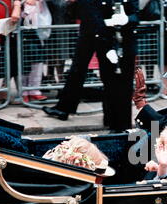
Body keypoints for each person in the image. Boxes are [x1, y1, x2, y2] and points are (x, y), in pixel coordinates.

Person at [42, 0, 139, 132]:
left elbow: (135, 14)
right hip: (96, 31)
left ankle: (114, 121)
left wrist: (126, 19)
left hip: (115, 37)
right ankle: (65, 107)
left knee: (113, 80)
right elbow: (92, 14)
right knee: (84, 70)